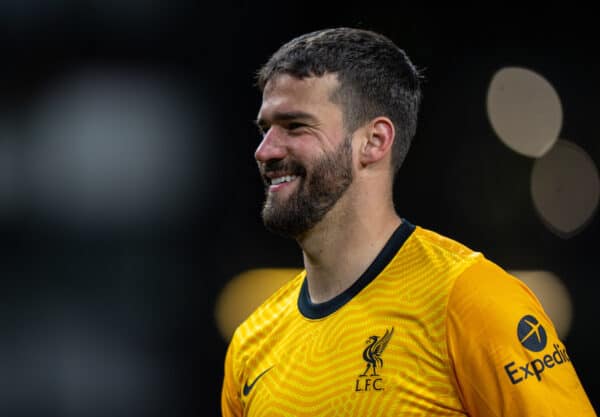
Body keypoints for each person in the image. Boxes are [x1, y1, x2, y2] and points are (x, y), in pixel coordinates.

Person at [221, 27, 597, 416]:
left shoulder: (471, 301)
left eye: (295, 126)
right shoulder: (252, 343)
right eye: (265, 129)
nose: (265, 151)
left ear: (374, 141)